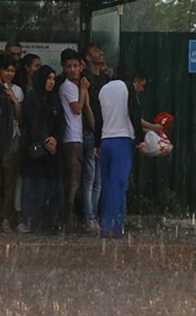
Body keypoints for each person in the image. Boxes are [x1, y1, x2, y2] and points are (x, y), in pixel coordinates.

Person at [95, 61, 145, 239]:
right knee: (119, 185)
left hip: (106, 140)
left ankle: (105, 226)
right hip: (122, 141)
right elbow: (134, 114)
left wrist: (97, 144)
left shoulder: (104, 89)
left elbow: (99, 118)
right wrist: (140, 140)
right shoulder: (127, 88)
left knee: (107, 186)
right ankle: (114, 227)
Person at [19, 66, 65, 232]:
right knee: (33, 188)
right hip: (35, 151)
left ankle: (50, 221)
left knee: (54, 188)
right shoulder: (32, 98)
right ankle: (30, 221)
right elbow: (31, 124)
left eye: (53, 79)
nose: (51, 82)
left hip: (52, 151)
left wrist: (54, 140)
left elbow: (60, 124)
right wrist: (44, 142)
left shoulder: (54, 99)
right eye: (48, 78)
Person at [0, 54, 24, 233]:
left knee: (10, 180)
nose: (9, 74)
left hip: (13, 137)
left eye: (12, 71)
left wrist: (14, 100)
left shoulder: (17, 90)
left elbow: (21, 117)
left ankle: (6, 218)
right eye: (6, 70)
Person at [80, 43, 110, 233]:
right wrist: (95, 128)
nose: (101, 52)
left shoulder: (107, 79)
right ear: (88, 58)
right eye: (96, 51)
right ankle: (88, 217)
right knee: (90, 177)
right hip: (91, 132)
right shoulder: (87, 79)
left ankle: (94, 216)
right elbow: (87, 106)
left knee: (98, 178)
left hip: (104, 131)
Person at [58, 48, 89, 227]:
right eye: (68, 66)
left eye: (75, 66)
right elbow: (77, 108)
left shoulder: (71, 85)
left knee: (74, 181)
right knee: (73, 182)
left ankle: (70, 219)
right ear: (63, 67)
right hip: (71, 139)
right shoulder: (69, 87)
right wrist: (84, 90)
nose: (72, 70)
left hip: (75, 138)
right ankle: (68, 221)